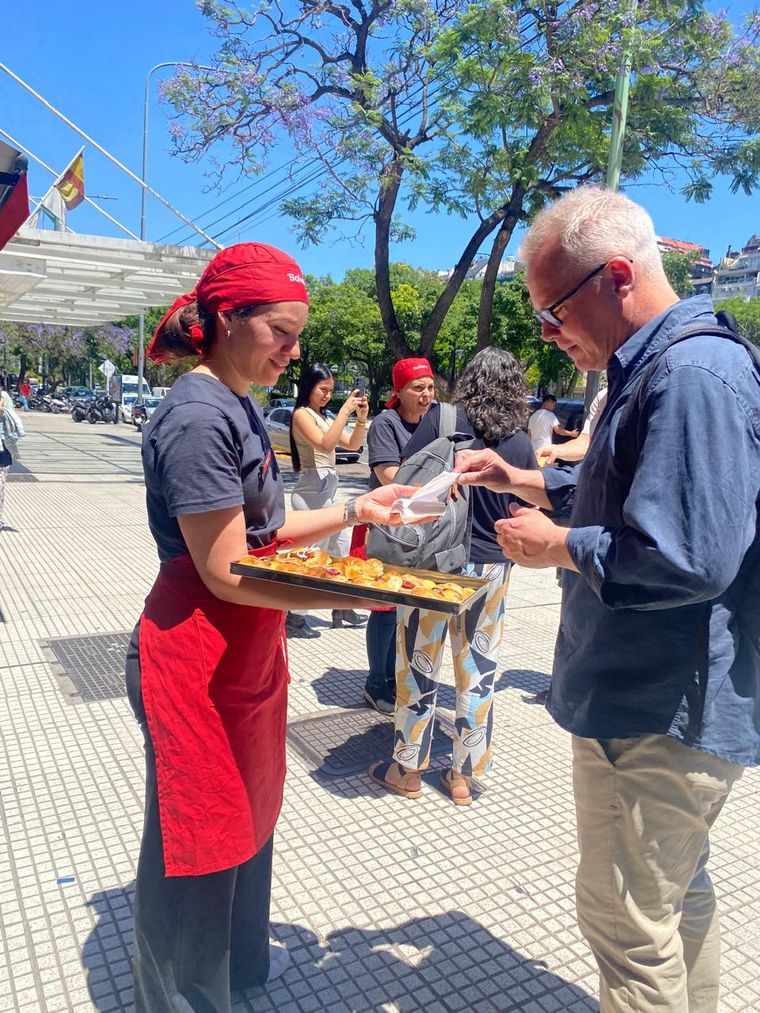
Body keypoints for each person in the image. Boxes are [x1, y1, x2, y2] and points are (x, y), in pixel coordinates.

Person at [455, 186, 760, 1011]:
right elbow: (630, 494)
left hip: (658, 707)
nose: (548, 335)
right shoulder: (658, 366)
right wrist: (526, 477)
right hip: (648, 700)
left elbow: (688, 555)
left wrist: (558, 544)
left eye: (553, 312)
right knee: (669, 903)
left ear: (616, 275)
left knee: (627, 926)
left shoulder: (692, 371)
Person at [124, 241, 427, 1013]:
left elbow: (272, 525)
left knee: (248, 818)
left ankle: (239, 968)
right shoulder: (195, 415)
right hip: (195, 653)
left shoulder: (239, 403)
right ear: (226, 318)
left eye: (298, 336)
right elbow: (227, 567)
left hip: (243, 650)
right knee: (197, 838)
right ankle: (185, 996)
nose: (295, 353)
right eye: (282, 333)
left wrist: (358, 509)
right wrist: (344, 591)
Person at [368, 347, 537, 805]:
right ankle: (462, 777)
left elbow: (411, 483)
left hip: (433, 566)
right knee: (478, 669)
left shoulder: (443, 421)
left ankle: (407, 771)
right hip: (491, 567)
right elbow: (529, 505)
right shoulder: (520, 442)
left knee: (418, 660)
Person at [360, 357, 435, 713]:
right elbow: (388, 473)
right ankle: (377, 683)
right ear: (399, 391)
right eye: (417, 387)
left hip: (417, 525)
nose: (426, 394)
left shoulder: (431, 422)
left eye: (430, 387)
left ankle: (393, 675)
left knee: (406, 604)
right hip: (384, 525)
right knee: (386, 608)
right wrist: (429, 489)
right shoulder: (386, 423)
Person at [286, 363, 369, 637]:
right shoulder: (301, 415)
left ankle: (342, 605)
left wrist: (359, 419)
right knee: (311, 553)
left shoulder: (323, 416)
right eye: (323, 389)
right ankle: (295, 616)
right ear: (309, 386)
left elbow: (353, 445)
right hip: (310, 491)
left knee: (341, 549)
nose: (327, 395)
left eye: (331, 391)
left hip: (328, 489)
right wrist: (345, 411)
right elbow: (324, 444)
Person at [537, 387, 607, 465]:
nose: (554, 408)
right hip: (546, 449)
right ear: (548, 402)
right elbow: (558, 430)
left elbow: (529, 434)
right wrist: (570, 434)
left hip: (537, 450)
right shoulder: (602, 397)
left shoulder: (533, 416)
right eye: (554, 405)